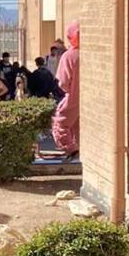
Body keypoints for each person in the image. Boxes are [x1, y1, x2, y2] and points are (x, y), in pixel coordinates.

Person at [52, 20, 81, 159]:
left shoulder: (69, 56)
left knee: (60, 122)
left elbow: (63, 83)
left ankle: (70, 148)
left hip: (74, 96)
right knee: (78, 125)